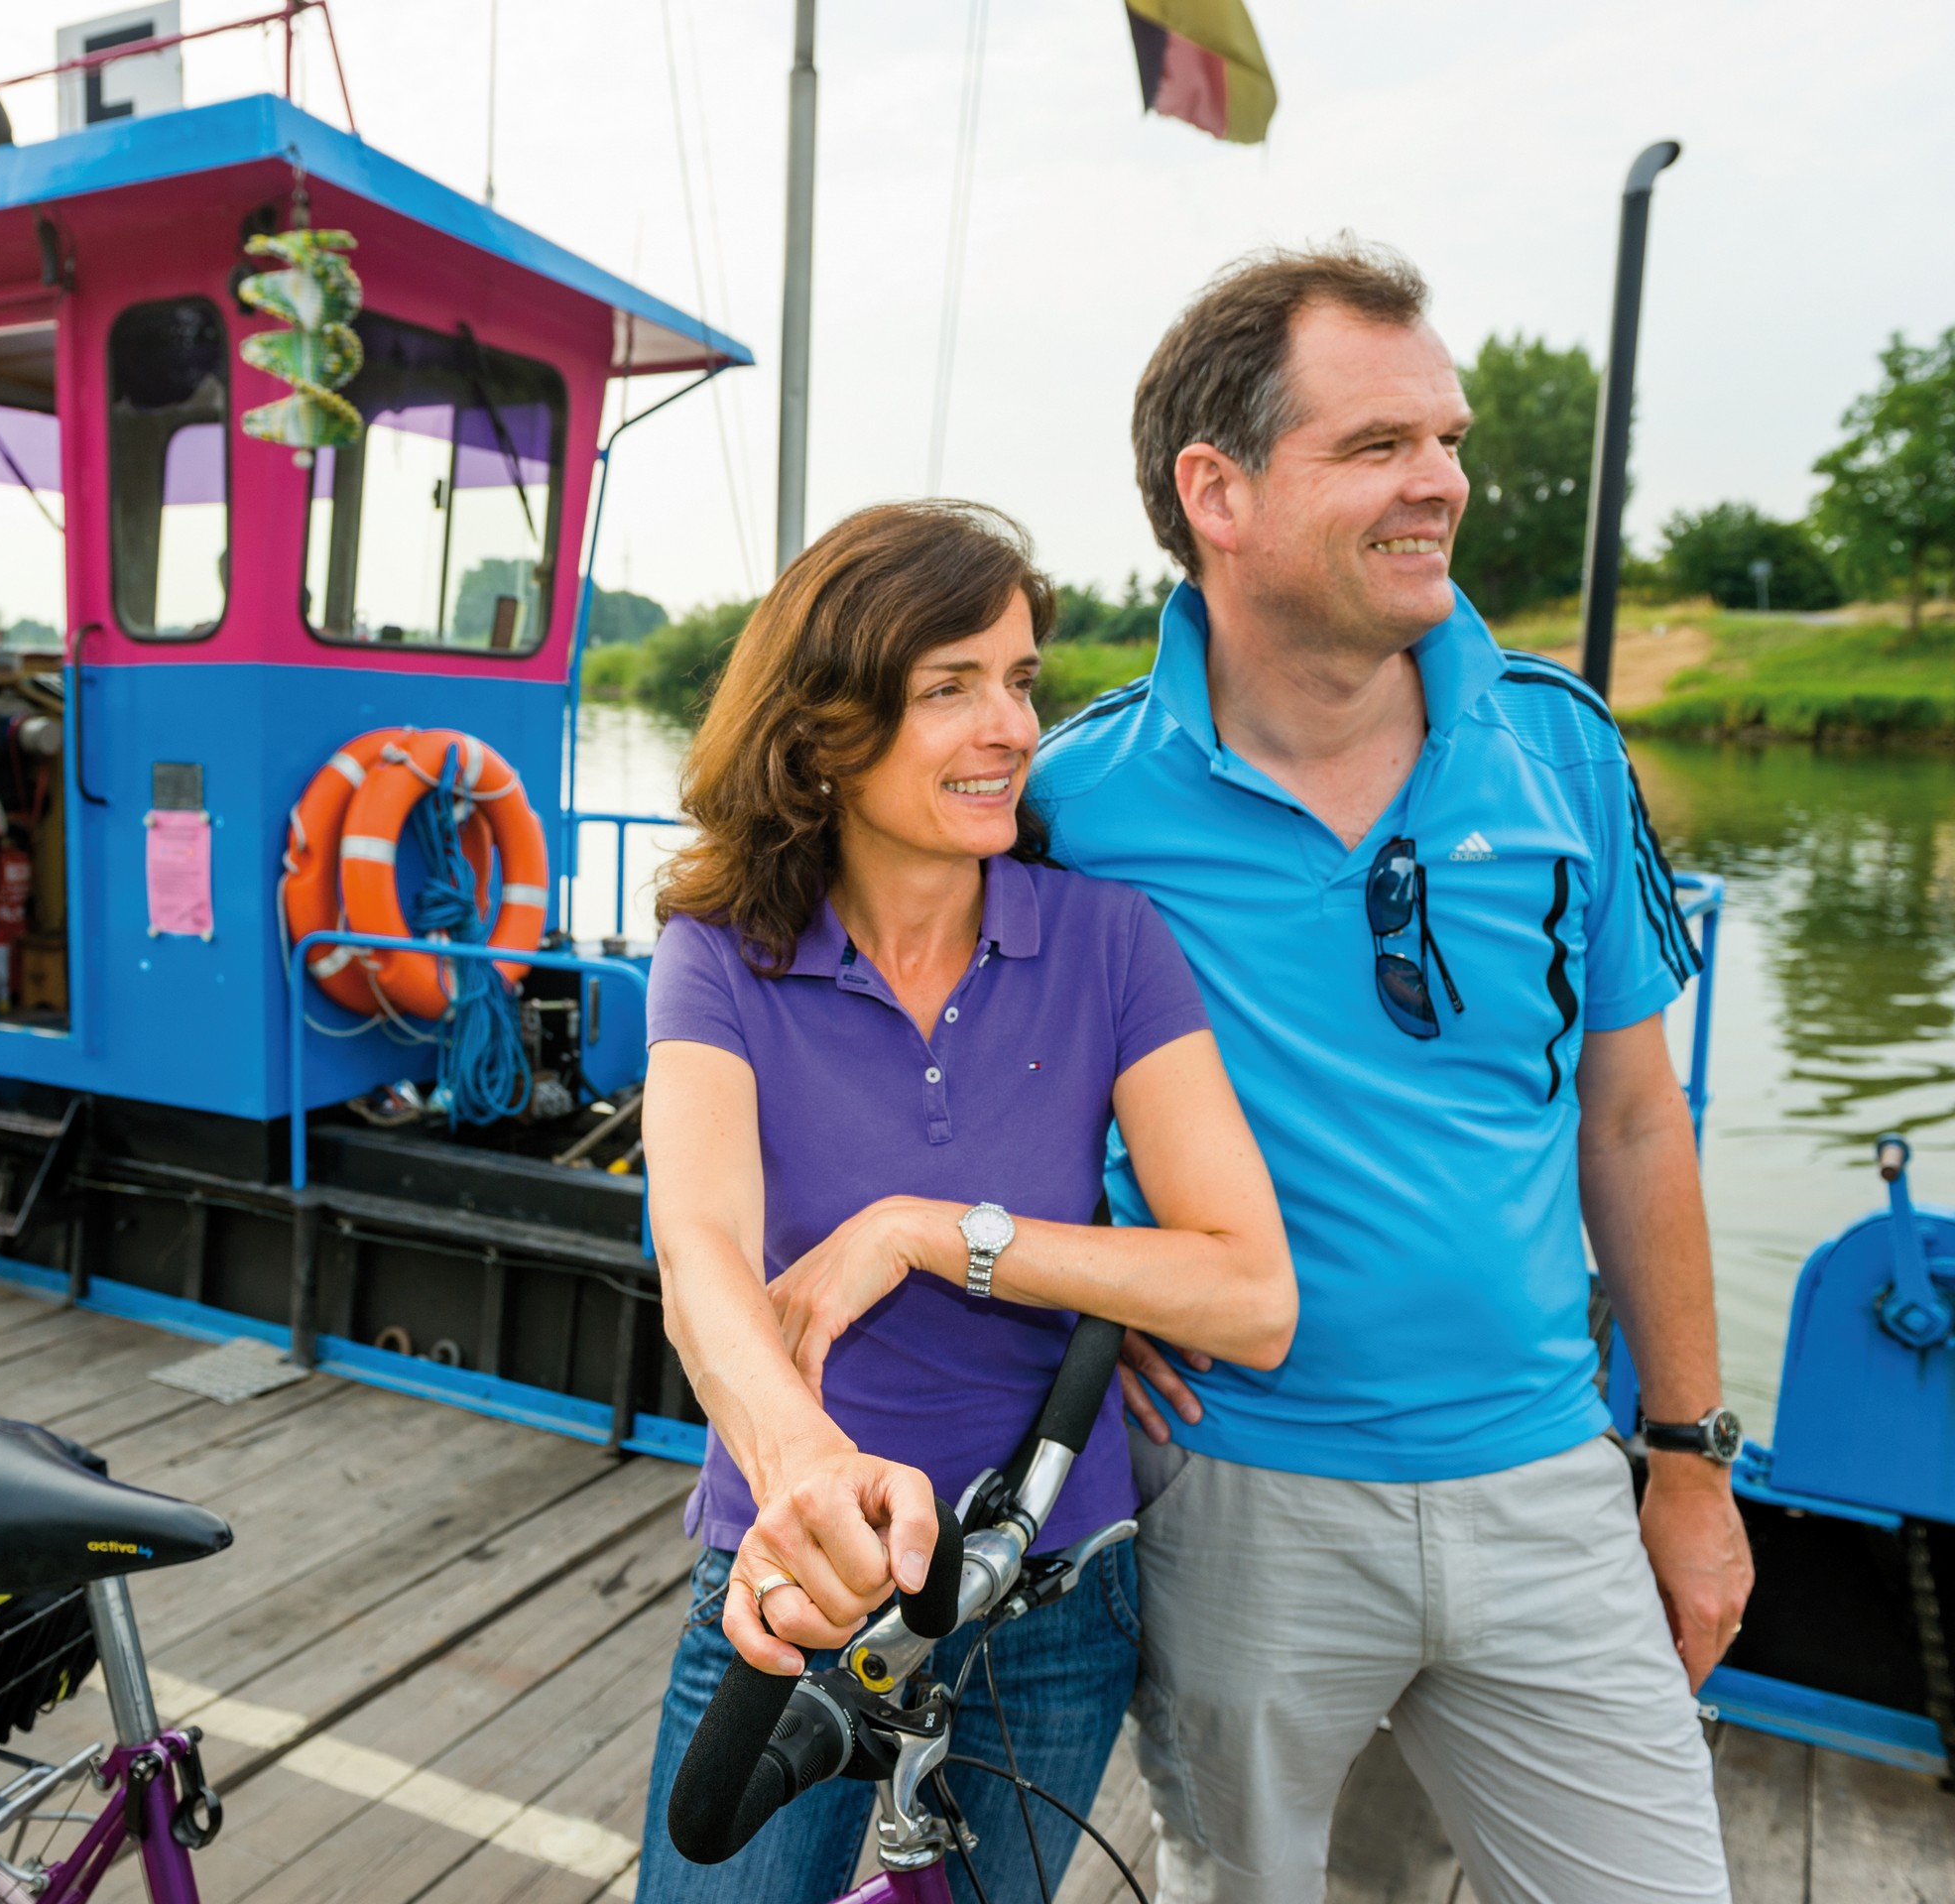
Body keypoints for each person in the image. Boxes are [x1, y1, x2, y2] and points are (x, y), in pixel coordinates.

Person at [1029, 242, 1753, 1904]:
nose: (1444, 484)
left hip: (1550, 1486)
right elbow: (976, 1090)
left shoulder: (1564, 744)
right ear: (1216, 491)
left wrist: (1690, 1461)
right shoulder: (1072, 807)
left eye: (1450, 438)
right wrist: (1086, 1281)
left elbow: (1635, 1122)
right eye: (1377, 447)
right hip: (1238, 1506)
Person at [633, 500, 1297, 1904]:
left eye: (1019, 681)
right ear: (821, 729)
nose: (1010, 726)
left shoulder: (1111, 942)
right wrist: (804, 1468)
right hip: (797, 1582)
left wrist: (930, 1232)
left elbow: (1250, 1294)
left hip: (1050, 1589)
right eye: (951, 688)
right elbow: (698, 1254)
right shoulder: (720, 957)